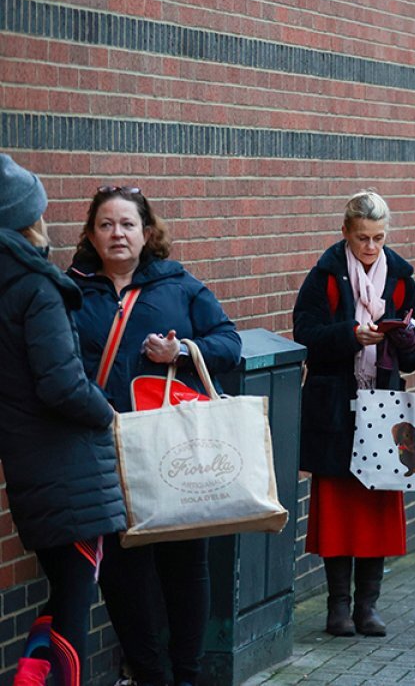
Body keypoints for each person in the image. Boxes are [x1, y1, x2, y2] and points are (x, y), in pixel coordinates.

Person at [69, 187, 242, 686]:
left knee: (184, 566)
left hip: (172, 451)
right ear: (91, 234)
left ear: (147, 233)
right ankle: (149, 675)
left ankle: (187, 674)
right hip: (106, 451)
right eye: (106, 224)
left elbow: (228, 342)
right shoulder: (72, 290)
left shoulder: (179, 285)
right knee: (123, 573)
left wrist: (181, 353)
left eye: (127, 224)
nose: (117, 234)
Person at [0, 156, 125, 686]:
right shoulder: (36, 287)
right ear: (28, 220)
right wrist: (108, 414)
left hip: (31, 467)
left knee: (62, 593)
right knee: (74, 606)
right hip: (69, 472)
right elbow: (61, 384)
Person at [293, 190, 415, 637]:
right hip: (335, 409)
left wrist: (401, 338)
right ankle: (338, 608)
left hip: (385, 404)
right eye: (363, 237)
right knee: (337, 509)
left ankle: (368, 607)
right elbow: (304, 334)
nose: (371, 247)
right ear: (346, 232)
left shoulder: (401, 277)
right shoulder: (326, 275)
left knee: (377, 504)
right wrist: (351, 335)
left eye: (379, 238)